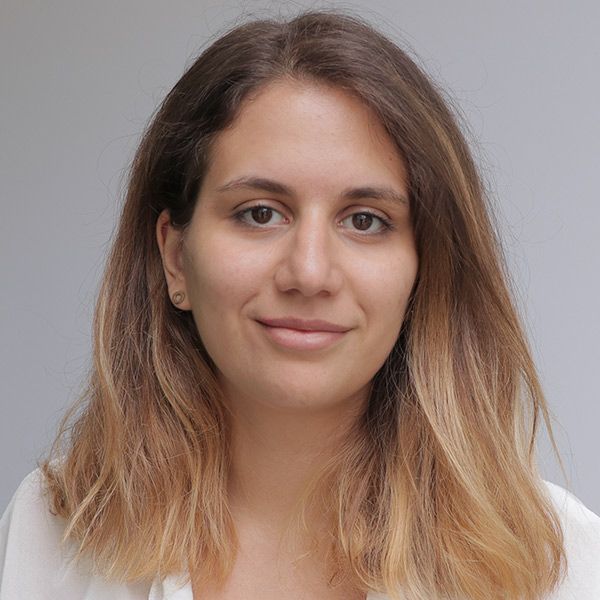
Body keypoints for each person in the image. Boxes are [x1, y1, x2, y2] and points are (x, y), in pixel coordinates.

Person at [1, 9, 599, 600]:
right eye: (260, 213)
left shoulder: (562, 565)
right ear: (176, 257)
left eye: (365, 220)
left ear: (426, 269)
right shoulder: (48, 537)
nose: (310, 273)